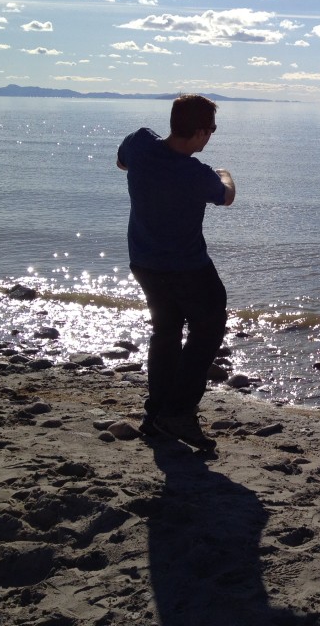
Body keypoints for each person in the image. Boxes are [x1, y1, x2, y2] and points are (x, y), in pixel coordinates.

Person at [117, 94, 236, 451]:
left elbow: (122, 163)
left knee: (165, 334)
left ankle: (156, 416)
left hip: (144, 262)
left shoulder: (140, 143)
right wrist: (225, 174)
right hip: (187, 268)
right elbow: (226, 196)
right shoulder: (196, 174)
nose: (211, 136)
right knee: (209, 326)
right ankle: (179, 411)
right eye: (211, 130)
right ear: (200, 132)